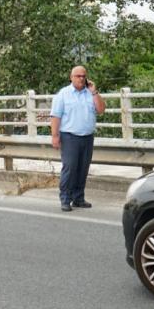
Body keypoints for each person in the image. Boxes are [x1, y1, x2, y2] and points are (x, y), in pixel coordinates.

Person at [50, 65, 106, 212]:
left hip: (87, 136)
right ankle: (65, 199)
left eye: (83, 76)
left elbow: (101, 110)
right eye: (78, 76)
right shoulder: (63, 94)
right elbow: (55, 116)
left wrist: (94, 92)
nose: (81, 79)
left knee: (83, 169)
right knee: (70, 168)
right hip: (69, 137)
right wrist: (55, 136)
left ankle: (78, 198)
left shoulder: (90, 93)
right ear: (71, 77)